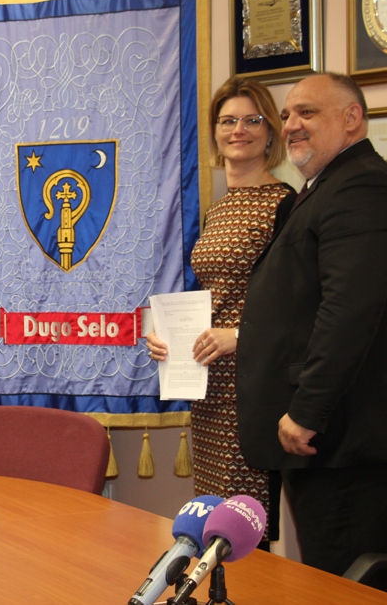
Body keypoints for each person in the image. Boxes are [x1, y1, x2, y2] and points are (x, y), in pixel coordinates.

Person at [235, 73, 387, 594]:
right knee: (344, 583)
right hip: (332, 440)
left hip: (348, 437)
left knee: (345, 587)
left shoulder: (362, 186)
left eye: (307, 112)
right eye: (287, 115)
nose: (291, 125)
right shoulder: (327, 186)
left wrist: (307, 411)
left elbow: (349, 311)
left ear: (352, 118)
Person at [147, 77, 294, 544]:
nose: (239, 130)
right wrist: (169, 341)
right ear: (214, 132)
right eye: (228, 121)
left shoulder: (285, 206)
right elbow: (213, 297)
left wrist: (240, 336)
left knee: (244, 526)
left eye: (252, 120)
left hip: (253, 388)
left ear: (270, 133)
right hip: (207, 385)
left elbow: (297, 305)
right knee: (212, 519)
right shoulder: (217, 210)